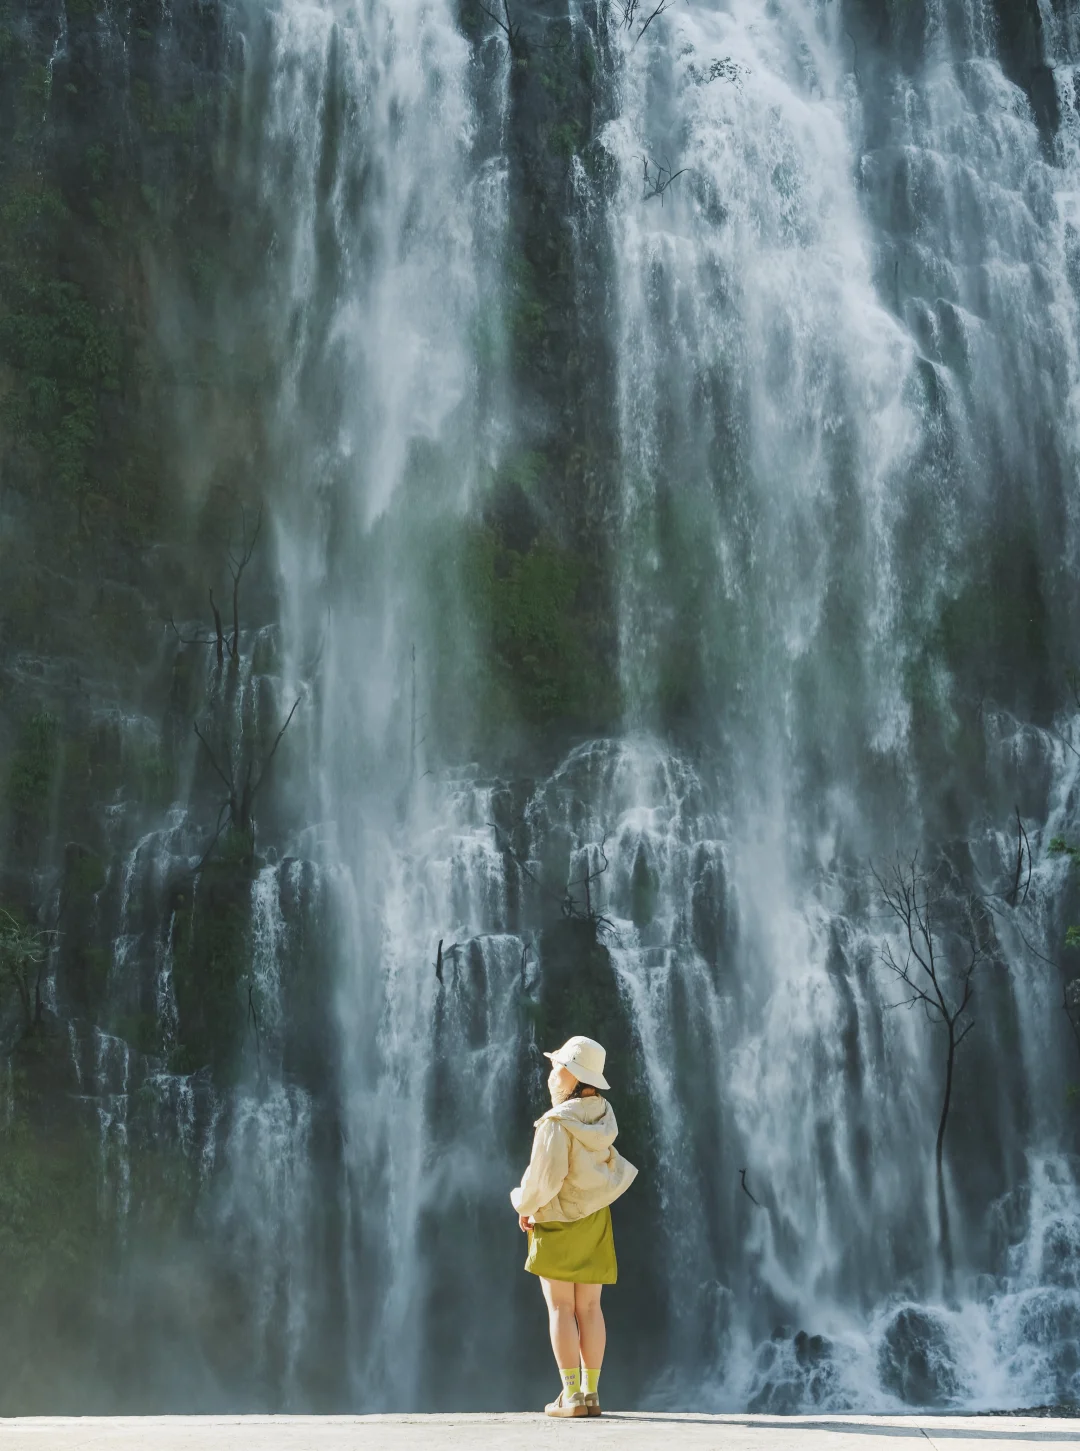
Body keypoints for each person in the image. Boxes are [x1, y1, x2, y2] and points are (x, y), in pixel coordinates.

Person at [510, 1034, 638, 1418]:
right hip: (595, 1218)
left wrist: (524, 1205)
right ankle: (592, 1393)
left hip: (557, 1220)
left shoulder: (556, 1123)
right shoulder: (603, 1115)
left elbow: (545, 1179)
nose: (552, 1073)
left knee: (561, 1308)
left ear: (572, 1075)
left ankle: (571, 1396)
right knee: (591, 1307)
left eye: (558, 1067)